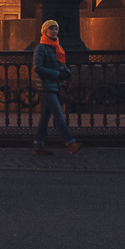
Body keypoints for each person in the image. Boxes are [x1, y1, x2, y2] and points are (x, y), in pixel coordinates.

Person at [32, 19, 81, 155]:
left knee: (45, 117)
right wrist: (56, 74)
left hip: (53, 85)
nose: (54, 31)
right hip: (47, 86)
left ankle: (38, 144)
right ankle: (71, 143)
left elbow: (59, 65)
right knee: (58, 116)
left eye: (56, 29)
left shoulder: (55, 46)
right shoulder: (41, 47)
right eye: (51, 29)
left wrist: (66, 72)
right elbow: (38, 67)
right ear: (44, 31)